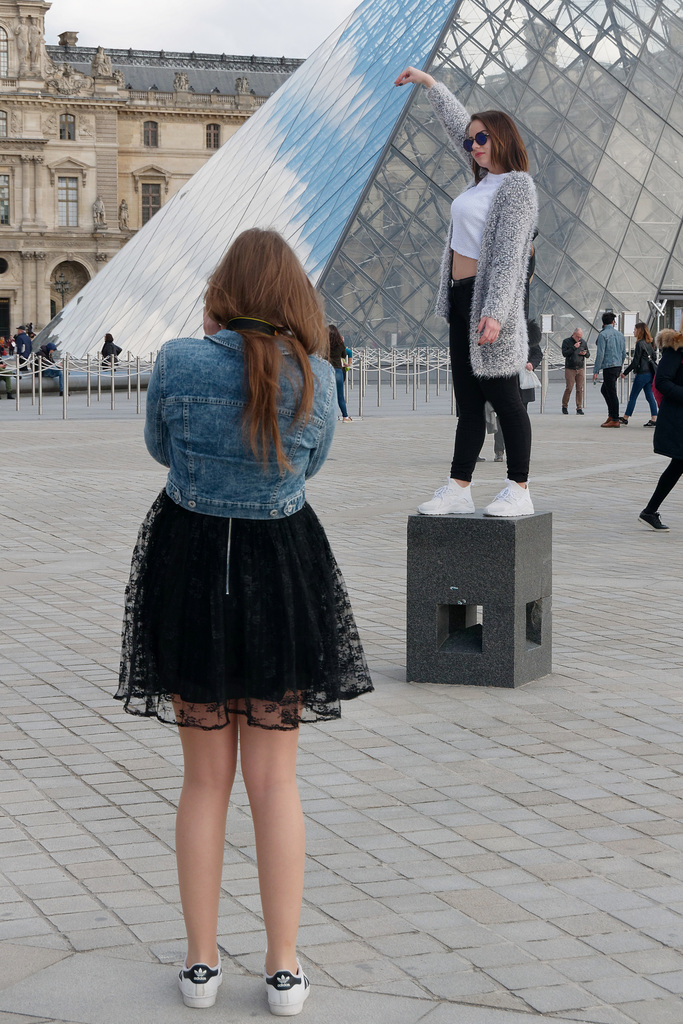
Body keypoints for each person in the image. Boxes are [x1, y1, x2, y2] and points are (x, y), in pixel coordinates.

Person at [115, 228, 373, 1015]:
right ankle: (284, 968)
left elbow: (160, 447)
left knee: (202, 782)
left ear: (223, 290)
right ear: (292, 296)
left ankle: (200, 967)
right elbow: (312, 464)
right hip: (279, 569)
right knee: (275, 782)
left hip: (190, 565)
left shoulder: (179, 362)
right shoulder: (317, 377)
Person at [395, 67, 538, 517]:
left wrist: (495, 311)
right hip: (461, 298)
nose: (473, 146)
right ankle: (459, 485)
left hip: (489, 302)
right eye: (469, 142)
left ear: (501, 138)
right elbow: (458, 122)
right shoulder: (479, 181)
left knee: (506, 399)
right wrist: (429, 84)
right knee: (469, 402)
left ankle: (519, 487)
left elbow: (513, 256)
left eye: (482, 140)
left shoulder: (516, 185)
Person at [639, 328, 683, 531]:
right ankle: (649, 511)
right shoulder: (675, 348)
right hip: (678, 417)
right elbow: (662, 382)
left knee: (677, 466)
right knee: (677, 465)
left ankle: (649, 511)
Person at [493, 319, 543, 461]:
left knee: (520, 420)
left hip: (522, 386)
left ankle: (519, 451)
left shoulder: (528, 335)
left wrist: (531, 364)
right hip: (506, 384)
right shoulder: (503, 334)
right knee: (501, 419)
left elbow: (538, 354)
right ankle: (499, 450)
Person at [620, 321, 658, 426]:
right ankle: (654, 418)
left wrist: (625, 373)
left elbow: (635, 361)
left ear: (639, 331)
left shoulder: (640, 343)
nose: (633, 331)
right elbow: (654, 357)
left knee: (633, 396)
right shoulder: (649, 343)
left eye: (635, 329)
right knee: (650, 396)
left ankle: (625, 417)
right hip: (650, 373)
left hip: (642, 374)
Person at [592, 312, 626, 427]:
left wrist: (596, 370)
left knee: (611, 392)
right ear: (613, 322)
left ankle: (615, 418)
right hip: (617, 366)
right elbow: (623, 353)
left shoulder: (603, 335)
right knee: (605, 390)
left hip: (608, 367)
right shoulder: (620, 335)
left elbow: (600, 354)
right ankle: (611, 415)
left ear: (603, 322)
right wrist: (620, 366)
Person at [561, 327, 589, 414]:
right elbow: (564, 354)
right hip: (570, 368)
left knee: (580, 388)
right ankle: (564, 406)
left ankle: (579, 407)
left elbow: (588, 354)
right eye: (577, 337)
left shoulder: (583, 342)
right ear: (573, 334)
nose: (579, 339)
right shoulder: (566, 341)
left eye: (580, 337)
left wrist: (585, 354)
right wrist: (574, 347)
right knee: (569, 388)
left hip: (580, 368)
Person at [328, 324, 352, 422]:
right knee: (340, 395)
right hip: (338, 370)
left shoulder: (324, 344)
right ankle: (345, 417)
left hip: (327, 370)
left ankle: (327, 417)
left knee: (327, 395)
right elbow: (344, 355)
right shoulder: (340, 345)